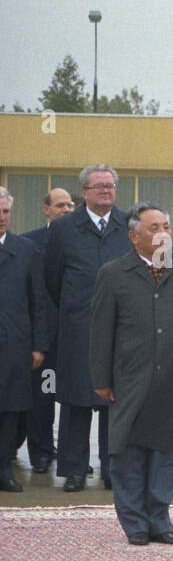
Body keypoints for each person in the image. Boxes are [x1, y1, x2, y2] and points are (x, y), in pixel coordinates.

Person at [89, 203, 173, 545]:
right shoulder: (113, 274)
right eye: (154, 228)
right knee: (129, 452)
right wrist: (101, 379)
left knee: (165, 453)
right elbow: (100, 331)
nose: (163, 233)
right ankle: (135, 522)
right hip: (130, 378)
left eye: (166, 226)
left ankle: (159, 520)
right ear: (133, 235)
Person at [44, 164, 133, 492]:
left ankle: (113, 469)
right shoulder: (64, 228)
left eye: (110, 185)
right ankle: (74, 470)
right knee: (76, 401)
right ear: (84, 192)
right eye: (99, 186)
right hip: (78, 328)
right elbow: (52, 278)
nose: (106, 190)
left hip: (120, 328)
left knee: (116, 401)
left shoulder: (128, 225)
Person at [14, 187, 73, 473]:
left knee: (75, 400)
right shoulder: (29, 243)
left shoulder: (80, 240)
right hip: (45, 338)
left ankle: (73, 454)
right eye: (60, 205)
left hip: (75, 337)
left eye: (70, 205)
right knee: (42, 396)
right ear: (46, 209)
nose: (66, 210)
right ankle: (41, 452)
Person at [0, 187, 49, 492]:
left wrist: (39, 345)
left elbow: (38, 300)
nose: (1, 217)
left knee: (10, 411)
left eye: (5, 211)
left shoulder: (25, 250)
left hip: (14, 344)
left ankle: (4, 469)